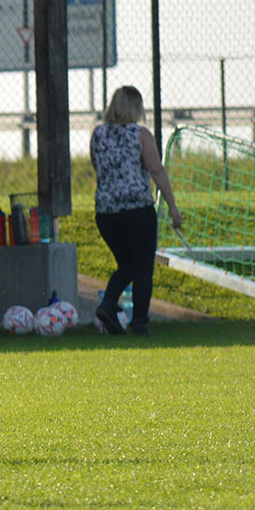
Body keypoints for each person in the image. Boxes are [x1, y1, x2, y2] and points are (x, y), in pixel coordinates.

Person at [90, 85, 184, 336]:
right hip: (137, 211)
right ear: (135, 107)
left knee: (127, 264)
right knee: (142, 267)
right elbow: (156, 170)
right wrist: (173, 207)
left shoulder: (98, 135)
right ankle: (140, 322)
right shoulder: (140, 134)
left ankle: (109, 305)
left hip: (106, 213)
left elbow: (97, 167)